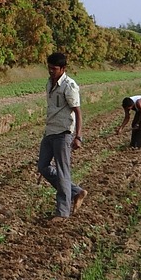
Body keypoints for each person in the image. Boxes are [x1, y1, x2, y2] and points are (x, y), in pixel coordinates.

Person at [37, 52, 86, 224]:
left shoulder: (69, 85)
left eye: (54, 69)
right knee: (42, 166)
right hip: (50, 131)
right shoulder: (49, 83)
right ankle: (75, 192)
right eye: (49, 68)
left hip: (63, 133)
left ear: (63, 68)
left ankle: (62, 212)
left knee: (63, 172)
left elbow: (78, 112)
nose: (51, 71)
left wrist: (78, 136)